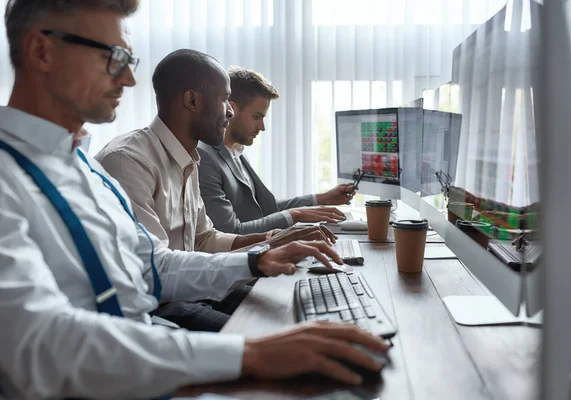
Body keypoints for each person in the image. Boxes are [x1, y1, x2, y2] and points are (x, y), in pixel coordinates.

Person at [0, 1, 389, 399]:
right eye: (114, 57)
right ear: (41, 51)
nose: (130, 79)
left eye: (129, 59)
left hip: (148, 352)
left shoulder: (85, 168)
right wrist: (248, 353)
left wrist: (258, 258)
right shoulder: (17, 176)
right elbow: (39, 344)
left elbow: (153, 264)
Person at [95, 49, 337, 332]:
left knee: (293, 305)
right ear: (192, 100)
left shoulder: (189, 158)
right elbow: (156, 269)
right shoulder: (129, 161)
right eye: (224, 99)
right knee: (275, 333)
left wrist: (276, 238)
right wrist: (263, 253)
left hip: (191, 286)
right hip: (159, 303)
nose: (231, 111)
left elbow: (204, 238)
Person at [197, 67, 357, 234]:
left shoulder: (235, 152)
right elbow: (229, 231)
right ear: (232, 109)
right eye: (256, 117)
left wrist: (323, 198)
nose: (262, 127)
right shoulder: (205, 158)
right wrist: (296, 216)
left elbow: (265, 208)